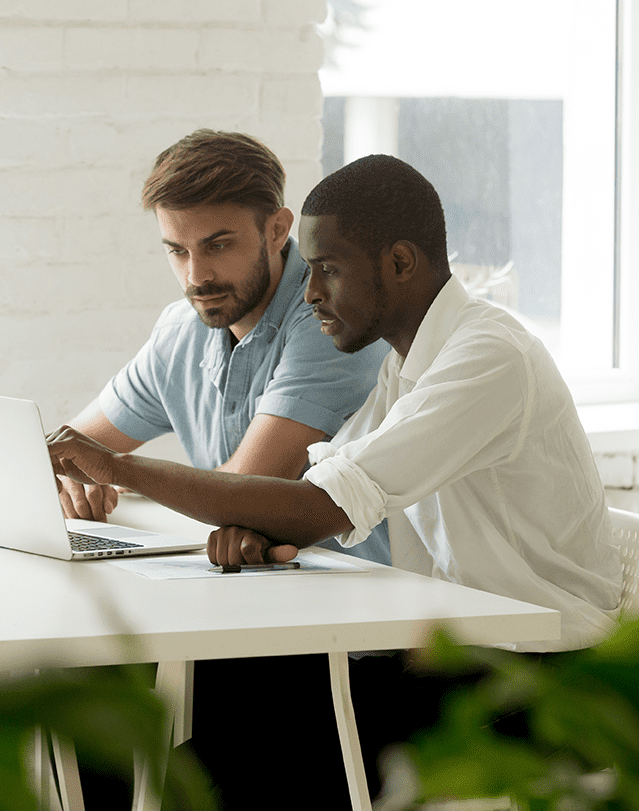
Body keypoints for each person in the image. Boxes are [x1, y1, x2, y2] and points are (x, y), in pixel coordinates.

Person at [49, 154, 623, 804]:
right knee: (218, 716)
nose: (312, 291)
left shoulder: (486, 358)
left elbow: (320, 504)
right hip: (452, 645)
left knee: (265, 738)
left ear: (400, 263)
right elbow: (325, 492)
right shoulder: (404, 366)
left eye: (328, 269)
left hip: (541, 675)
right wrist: (266, 528)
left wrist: (120, 469)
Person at [56, 131, 390, 808]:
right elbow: (73, 444)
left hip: (347, 644)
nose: (194, 275)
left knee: (175, 760)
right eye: (177, 250)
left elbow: (246, 491)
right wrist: (65, 475)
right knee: (87, 690)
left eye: (217, 244)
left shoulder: (331, 320)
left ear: (277, 228)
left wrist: (112, 469)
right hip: (245, 619)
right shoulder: (184, 329)